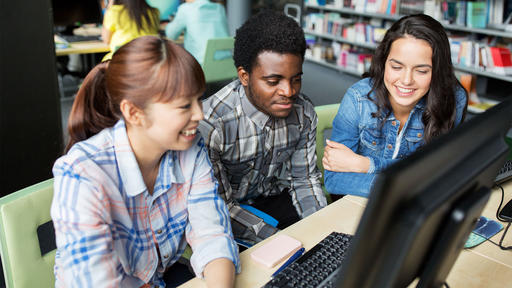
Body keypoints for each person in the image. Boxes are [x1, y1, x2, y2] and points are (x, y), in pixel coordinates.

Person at [51, 36, 239, 287]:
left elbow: (212, 236)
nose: (199, 114)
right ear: (134, 112)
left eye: (198, 99)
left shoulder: (191, 148)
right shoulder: (82, 174)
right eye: (184, 106)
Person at [198, 10, 327, 246]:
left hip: (273, 199)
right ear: (244, 76)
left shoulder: (304, 112)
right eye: (273, 81)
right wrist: (278, 241)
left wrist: (322, 229)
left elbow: (304, 180)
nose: (289, 92)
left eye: (296, 78)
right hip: (227, 213)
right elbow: (219, 207)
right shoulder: (211, 124)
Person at [323, 14, 468, 198]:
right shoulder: (358, 99)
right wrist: (410, 184)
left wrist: (365, 165)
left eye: (421, 71)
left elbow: (440, 172)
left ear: (438, 72)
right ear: (384, 63)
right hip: (358, 205)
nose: (406, 80)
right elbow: (334, 180)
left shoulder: (453, 99)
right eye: (397, 67)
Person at [165, 0, 230, 64]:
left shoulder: (186, 9)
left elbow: (171, 35)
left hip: (200, 67)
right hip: (227, 64)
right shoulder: (220, 8)